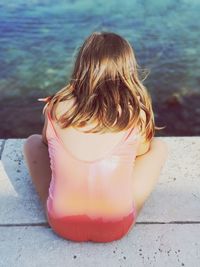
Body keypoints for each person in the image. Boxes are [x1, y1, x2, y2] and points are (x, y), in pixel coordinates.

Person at [23, 31, 168, 243]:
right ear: (127, 70)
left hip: (61, 223)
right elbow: (142, 152)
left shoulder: (56, 107)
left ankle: (52, 201)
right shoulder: (135, 113)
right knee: (159, 148)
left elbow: (45, 143)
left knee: (32, 143)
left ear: (81, 67)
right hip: (117, 225)